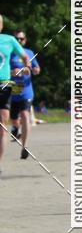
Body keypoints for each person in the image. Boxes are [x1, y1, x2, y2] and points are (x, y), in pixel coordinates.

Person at [0, 15, 30, 174]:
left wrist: (28, 65)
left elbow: (25, 56)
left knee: (2, 125)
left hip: (4, 84)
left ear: (1, 25)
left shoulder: (9, 40)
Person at [9, 31, 40, 159]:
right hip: (12, 90)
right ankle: (15, 129)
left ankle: (24, 147)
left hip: (26, 90)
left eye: (21, 39)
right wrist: (12, 72)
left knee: (26, 116)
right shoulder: (8, 53)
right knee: (14, 119)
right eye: (17, 39)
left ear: (25, 40)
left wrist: (33, 70)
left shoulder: (29, 53)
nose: (19, 41)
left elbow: (36, 69)